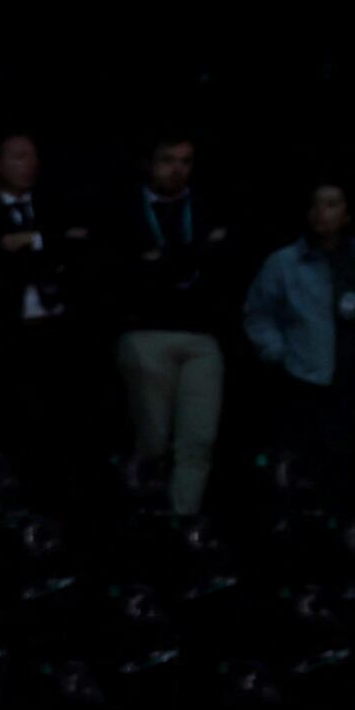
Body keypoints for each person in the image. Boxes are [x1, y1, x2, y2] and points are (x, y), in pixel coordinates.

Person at [244, 182, 355, 498]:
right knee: (309, 461)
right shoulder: (285, 262)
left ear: (347, 214)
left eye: (332, 204)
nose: (322, 213)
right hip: (309, 373)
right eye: (316, 205)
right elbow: (258, 312)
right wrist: (276, 351)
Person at [111, 137, 241, 513]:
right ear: (149, 164)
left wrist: (162, 261)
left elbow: (223, 265)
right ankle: (146, 522)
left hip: (202, 338)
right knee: (152, 441)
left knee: (197, 442)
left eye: (185, 161)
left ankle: (184, 525)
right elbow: (124, 271)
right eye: (168, 160)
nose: (177, 169)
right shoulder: (126, 209)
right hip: (144, 333)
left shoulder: (207, 206)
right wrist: (194, 253)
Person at [0, 133, 94, 449]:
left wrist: (34, 240)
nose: (30, 164)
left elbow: (80, 238)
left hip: (58, 326)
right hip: (11, 332)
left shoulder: (54, 204)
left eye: (32, 156)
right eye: (19, 157)